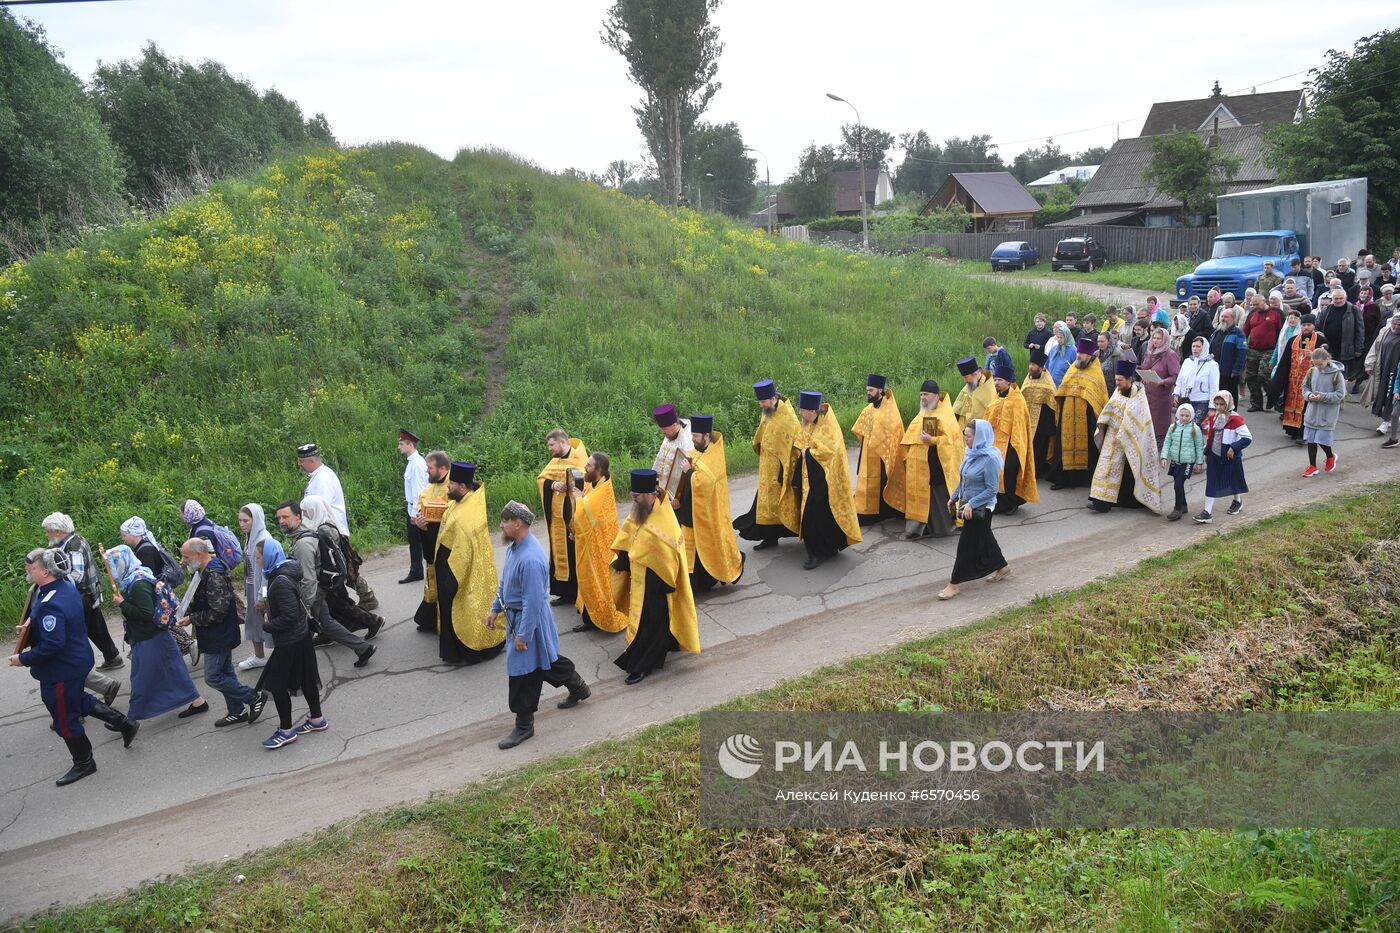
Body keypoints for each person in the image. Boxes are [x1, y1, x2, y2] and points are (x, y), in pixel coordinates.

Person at [11, 548, 138, 786]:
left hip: (61, 669)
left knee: (63, 717)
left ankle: (84, 762)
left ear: (46, 571)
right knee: (76, 700)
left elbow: (52, 645)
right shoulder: (64, 585)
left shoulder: (51, 602)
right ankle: (124, 723)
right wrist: (29, 628)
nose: (29, 571)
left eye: (33, 568)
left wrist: (23, 659)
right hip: (76, 661)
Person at [489, 501, 590, 749]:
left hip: (528, 624)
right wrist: (494, 609)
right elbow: (505, 582)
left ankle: (524, 726)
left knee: (523, 672)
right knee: (546, 661)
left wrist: (523, 634)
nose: (501, 524)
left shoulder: (531, 559)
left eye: (504, 520)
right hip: (520, 620)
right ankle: (579, 687)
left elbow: (532, 602)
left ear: (518, 524)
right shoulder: (515, 547)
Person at [609, 471, 702, 685]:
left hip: (658, 584)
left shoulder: (665, 521)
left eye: (637, 496)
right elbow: (628, 535)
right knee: (647, 622)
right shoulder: (639, 511)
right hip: (640, 579)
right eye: (632, 496)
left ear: (651, 494)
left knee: (652, 624)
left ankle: (644, 664)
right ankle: (666, 644)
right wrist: (622, 559)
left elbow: (671, 554)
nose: (634, 500)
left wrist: (666, 579)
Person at [104, 545, 211, 723]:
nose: (112, 571)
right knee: (173, 669)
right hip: (153, 635)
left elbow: (146, 614)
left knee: (141, 679)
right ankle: (198, 702)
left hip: (149, 637)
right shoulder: (135, 577)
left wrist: (123, 604)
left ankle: (129, 721)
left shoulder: (137, 584)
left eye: (112, 565)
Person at [179, 537, 274, 725]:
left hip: (219, 635)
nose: (183, 561)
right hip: (218, 634)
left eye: (186, 557)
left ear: (198, 555)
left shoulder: (213, 575)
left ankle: (253, 698)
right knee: (226, 673)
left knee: (213, 677)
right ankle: (236, 711)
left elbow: (218, 612)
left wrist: (192, 618)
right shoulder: (203, 570)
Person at [275, 499, 377, 668]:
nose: (281, 521)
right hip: (318, 590)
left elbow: (308, 578)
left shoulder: (303, 543)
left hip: (313, 592)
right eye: (279, 518)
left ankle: (295, 666)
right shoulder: (303, 534)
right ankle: (363, 648)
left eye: (285, 517)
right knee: (327, 624)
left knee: (319, 624)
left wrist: (305, 606)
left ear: (298, 517)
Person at [253, 538, 326, 749]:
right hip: (301, 636)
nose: (256, 560)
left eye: (258, 556)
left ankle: (286, 731)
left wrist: (268, 624)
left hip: (290, 640)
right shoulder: (284, 573)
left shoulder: (279, 582)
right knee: (307, 678)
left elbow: (289, 615)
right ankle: (317, 719)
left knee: (276, 685)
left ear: (267, 557)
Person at [432, 462, 505, 664]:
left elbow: (462, 555)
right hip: (458, 563)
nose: (448, 486)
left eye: (452, 483)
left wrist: (451, 582)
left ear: (463, 487)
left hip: (458, 570)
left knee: (462, 608)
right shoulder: (467, 499)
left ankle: (467, 651)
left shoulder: (466, 515)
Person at [297, 443, 378, 612]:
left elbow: (319, 510)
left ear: (311, 461)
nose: (299, 465)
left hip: (330, 531)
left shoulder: (323, 479)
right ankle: (366, 597)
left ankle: (363, 600)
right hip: (329, 530)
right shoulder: (317, 476)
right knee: (344, 567)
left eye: (301, 462)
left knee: (343, 568)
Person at [787, 391, 862, 570]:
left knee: (816, 517)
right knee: (812, 517)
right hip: (810, 478)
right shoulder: (809, 422)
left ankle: (819, 553)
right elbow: (800, 441)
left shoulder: (828, 425)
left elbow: (829, 449)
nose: (800, 414)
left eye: (803, 410)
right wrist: (802, 451)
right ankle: (820, 550)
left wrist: (808, 452)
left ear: (813, 411)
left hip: (826, 480)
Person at [41, 513, 122, 675]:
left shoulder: (74, 547)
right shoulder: (74, 540)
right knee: (96, 628)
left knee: (79, 632)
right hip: (89, 594)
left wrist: (55, 581)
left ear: (58, 531)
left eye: (48, 531)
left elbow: (76, 575)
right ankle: (112, 657)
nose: (46, 534)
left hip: (82, 597)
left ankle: (82, 668)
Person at [938, 421, 1011, 601]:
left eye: (969, 436)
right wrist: (954, 497)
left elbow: (992, 489)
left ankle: (954, 584)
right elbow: (963, 479)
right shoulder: (970, 453)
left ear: (979, 437)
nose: (966, 439)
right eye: (965, 435)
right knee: (985, 537)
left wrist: (971, 503)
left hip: (981, 508)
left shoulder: (990, 459)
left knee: (966, 544)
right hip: (967, 505)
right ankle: (1002, 567)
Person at [884, 378, 963, 540]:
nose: (923, 398)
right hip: (919, 468)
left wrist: (932, 440)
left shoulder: (945, 414)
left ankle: (953, 523)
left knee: (943, 496)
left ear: (935, 395)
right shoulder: (923, 412)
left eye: (926, 394)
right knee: (923, 499)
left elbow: (952, 442)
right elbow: (910, 436)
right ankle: (921, 529)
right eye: (921, 394)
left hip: (939, 467)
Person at [301, 495, 384, 640]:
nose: (304, 515)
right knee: (337, 606)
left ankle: (373, 621)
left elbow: (328, 557)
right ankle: (328, 633)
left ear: (313, 510)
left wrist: (327, 579)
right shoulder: (326, 524)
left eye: (305, 511)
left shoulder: (323, 530)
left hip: (331, 576)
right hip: (335, 574)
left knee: (341, 607)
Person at [675, 416, 744, 591]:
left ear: (707, 436)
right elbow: (692, 467)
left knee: (710, 545)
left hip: (709, 511)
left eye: (696, 436)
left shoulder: (714, 453)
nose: (692, 439)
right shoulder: (698, 450)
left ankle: (729, 566)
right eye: (692, 435)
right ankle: (694, 582)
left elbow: (705, 482)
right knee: (691, 549)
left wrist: (689, 472)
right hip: (692, 509)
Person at [1087, 362, 1163, 514]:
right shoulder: (1117, 392)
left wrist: (1125, 431)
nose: (1117, 383)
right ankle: (1100, 502)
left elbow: (1140, 421)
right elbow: (1109, 409)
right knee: (1106, 467)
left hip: (1130, 439)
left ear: (1130, 379)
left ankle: (1127, 500)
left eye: (1120, 380)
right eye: (1116, 380)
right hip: (1112, 437)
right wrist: (1104, 423)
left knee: (1127, 470)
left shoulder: (1139, 398)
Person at [734, 380, 800, 550]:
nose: (761, 406)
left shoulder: (788, 417)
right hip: (766, 466)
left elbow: (795, 443)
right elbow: (763, 432)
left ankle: (798, 532)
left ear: (773, 398)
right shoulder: (767, 411)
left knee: (781, 502)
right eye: (760, 403)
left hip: (781, 468)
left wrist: (785, 468)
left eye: (763, 402)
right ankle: (769, 538)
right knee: (766, 504)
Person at [567, 452, 628, 633]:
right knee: (588, 582)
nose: (585, 467)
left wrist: (578, 499)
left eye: (589, 466)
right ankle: (589, 619)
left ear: (598, 470)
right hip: (590, 542)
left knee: (599, 583)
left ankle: (609, 620)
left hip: (600, 548)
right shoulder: (594, 482)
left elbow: (585, 511)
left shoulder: (602, 490)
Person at [1046, 337, 1109, 490]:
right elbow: (1063, 387)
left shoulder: (1096, 371)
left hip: (1086, 416)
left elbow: (1099, 395)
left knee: (1088, 446)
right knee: (1064, 445)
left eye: (1081, 354)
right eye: (1078, 353)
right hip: (1068, 413)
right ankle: (1064, 479)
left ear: (1089, 356)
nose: (1078, 356)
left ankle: (1085, 478)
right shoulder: (1073, 368)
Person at [537, 429, 589, 603]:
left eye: (551, 445)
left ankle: (578, 593)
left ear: (562, 442)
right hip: (557, 517)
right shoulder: (555, 461)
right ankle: (565, 593)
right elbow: (542, 479)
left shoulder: (579, 459)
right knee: (560, 551)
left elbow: (586, 484)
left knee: (574, 552)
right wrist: (553, 485)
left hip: (573, 514)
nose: (549, 449)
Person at [984, 362, 1038, 515]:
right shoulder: (995, 398)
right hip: (995, 443)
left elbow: (1020, 425)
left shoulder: (1017, 400)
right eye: (995, 380)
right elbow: (988, 418)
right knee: (994, 471)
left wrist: (1014, 444)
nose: (996, 383)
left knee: (1008, 471)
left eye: (999, 380)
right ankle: (998, 503)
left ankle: (1011, 503)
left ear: (1008, 381)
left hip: (1013, 443)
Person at [850, 374, 903, 525]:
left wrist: (880, 443)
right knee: (869, 482)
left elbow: (894, 432)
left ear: (880, 390)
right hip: (868, 452)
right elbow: (860, 429)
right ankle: (868, 511)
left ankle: (884, 511)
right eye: (867, 390)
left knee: (882, 481)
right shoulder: (868, 409)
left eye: (871, 390)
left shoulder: (890, 410)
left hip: (883, 455)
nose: (868, 393)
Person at [1194, 392, 1251, 524]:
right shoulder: (1214, 417)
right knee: (1211, 481)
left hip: (1230, 457)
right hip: (1215, 455)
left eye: (1222, 404)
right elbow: (1210, 437)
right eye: (1217, 404)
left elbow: (1247, 438)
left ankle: (1238, 501)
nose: (1219, 407)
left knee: (1234, 480)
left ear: (1228, 403)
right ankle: (1207, 513)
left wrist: (1234, 447)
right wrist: (1208, 453)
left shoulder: (1236, 419)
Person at [411, 450, 451, 631]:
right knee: (432, 579)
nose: (427, 471)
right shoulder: (428, 489)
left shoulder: (454, 487)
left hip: (447, 544)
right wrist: (420, 523)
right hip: (430, 541)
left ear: (442, 468)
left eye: (430, 467)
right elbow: (423, 512)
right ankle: (430, 618)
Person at [1270, 313, 1325, 443]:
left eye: (1309, 325)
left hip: (1311, 382)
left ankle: (1303, 434)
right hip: (1293, 380)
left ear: (1314, 326)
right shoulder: (1293, 340)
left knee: (1306, 407)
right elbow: (1285, 361)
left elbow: (1327, 359)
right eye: (1304, 325)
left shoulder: (1321, 341)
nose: (1306, 327)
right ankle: (1292, 430)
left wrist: (1314, 356)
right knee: (1291, 404)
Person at [235, 504, 273, 670]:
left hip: (261, 589)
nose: (242, 524)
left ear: (255, 520)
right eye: (240, 520)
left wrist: (261, 597)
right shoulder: (250, 537)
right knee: (253, 621)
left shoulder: (263, 539)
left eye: (246, 520)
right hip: (252, 586)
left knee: (268, 622)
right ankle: (259, 657)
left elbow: (266, 573)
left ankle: (283, 657)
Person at [1299, 348, 1345, 477]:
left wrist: (1322, 396)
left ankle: (1330, 456)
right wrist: (1309, 395)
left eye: (1320, 364)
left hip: (1327, 413)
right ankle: (1312, 466)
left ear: (1327, 360)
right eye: (1315, 364)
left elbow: (1340, 395)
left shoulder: (1336, 374)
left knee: (1322, 439)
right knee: (1311, 440)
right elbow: (1305, 387)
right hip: (1312, 411)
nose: (1318, 367)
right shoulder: (1312, 371)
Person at [1160, 404, 1205, 521]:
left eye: (1187, 415)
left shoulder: (1195, 429)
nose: (1184, 418)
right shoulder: (1173, 427)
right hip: (1175, 461)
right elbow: (1167, 442)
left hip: (1187, 462)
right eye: (1182, 415)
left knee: (1178, 484)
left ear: (1191, 416)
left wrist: (1199, 463)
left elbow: (1199, 446)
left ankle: (1177, 509)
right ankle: (1184, 505)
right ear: (1178, 415)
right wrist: (1164, 457)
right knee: (1178, 484)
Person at [1139, 326, 1181, 447]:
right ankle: (1148, 441)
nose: (1155, 341)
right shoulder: (1150, 352)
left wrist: (1163, 381)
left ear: (1165, 339)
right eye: (1154, 338)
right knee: (1148, 419)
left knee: (1159, 420)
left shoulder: (1170, 354)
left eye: (1158, 338)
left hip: (1161, 394)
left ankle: (1160, 443)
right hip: (1147, 392)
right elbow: (1144, 368)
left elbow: (1175, 376)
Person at [1241, 294, 1283, 411]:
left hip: (1269, 349)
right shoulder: (1252, 314)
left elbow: (1281, 331)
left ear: (1264, 301)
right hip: (1253, 349)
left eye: (1257, 304)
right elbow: (1245, 330)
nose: (1255, 307)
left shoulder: (1276, 313)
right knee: (1251, 376)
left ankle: (1273, 399)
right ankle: (1256, 403)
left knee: (1264, 375)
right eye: (1253, 304)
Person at [1021, 351, 1059, 475]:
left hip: (1042, 421)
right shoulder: (1028, 378)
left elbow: (1053, 402)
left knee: (1039, 445)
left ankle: (1037, 470)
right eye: (1030, 364)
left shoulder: (1048, 383)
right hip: (1027, 417)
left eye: (1033, 365)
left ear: (1041, 367)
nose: (1030, 367)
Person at [398, 429, 429, 584]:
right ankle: (416, 570)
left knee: (420, 543)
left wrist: (415, 515)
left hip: (416, 510)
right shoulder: (412, 462)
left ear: (410, 445)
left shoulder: (417, 464)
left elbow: (419, 492)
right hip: (413, 508)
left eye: (402, 444)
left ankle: (419, 570)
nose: (399, 447)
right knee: (415, 543)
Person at [1365, 311, 1400, 437]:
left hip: (1397, 372)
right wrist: (1369, 364)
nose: (1396, 327)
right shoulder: (1384, 331)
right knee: (1383, 393)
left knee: (1392, 395)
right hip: (1384, 368)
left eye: (1399, 325)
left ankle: (1386, 421)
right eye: (1394, 324)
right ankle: (1390, 417)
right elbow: (1375, 348)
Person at [650, 403, 694, 502]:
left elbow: (687, 474)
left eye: (664, 429)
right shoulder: (669, 435)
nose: (663, 432)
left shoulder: (687, 441)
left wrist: (677, 497)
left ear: (674, 425)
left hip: (679, 495)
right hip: (664, 489)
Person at [1174, 336, 1220, 427]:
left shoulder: (1212, 365)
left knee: (1193, 428)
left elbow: (1214, 387)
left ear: (1205, 348)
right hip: (1185, 399)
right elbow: (1180, 380)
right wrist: (1176, 393)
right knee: (1180, 427)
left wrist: (1212, 407)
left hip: (1201, 401)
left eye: (1198, 347)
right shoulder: (1187, 361)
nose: (1195, 349)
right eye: (1193, 346)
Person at [1209, 308, 1248, 405]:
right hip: (1215, 371)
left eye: (1226, 317)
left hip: (1229, 373)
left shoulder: (1239, 334)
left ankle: (1232, 416)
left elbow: (1242, 354)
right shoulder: (1216, 332)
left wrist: (1236, 370)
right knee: (1217, 397)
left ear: (1233, 319)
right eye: (1222, 316)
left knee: (1230, 397)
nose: (1223, 319)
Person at [1268, 309, 1303, 410]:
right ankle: (1278, 404)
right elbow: (1277, 347)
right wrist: (1272, 360)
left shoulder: (1300, 333)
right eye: (1290, 318)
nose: (1292, 320)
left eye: (1295, 318)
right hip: (1281, 361)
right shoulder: (1284, 331)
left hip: (1294, 362)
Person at [952, 356, 996, 428]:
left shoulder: (988, 388)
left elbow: (992, 414)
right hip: (963, 431)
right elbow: (956, 409)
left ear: (975, 374)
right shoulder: (969, 386)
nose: (965, 381)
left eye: (966, 377)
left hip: (980, 430)